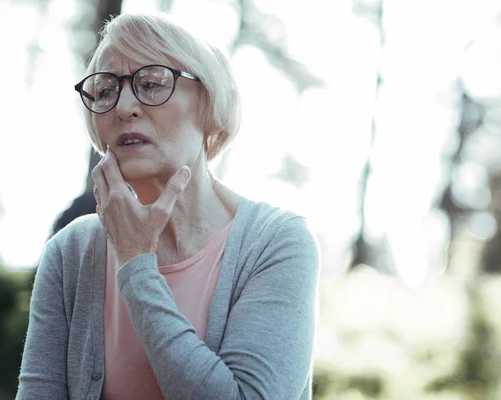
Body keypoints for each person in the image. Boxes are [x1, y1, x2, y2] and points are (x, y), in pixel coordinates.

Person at [16, 12, 320, 400]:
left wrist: (136, 264)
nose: (123, 106)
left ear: (209, 103)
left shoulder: (279, 244)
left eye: (152, 82)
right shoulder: (71, 251)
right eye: (106, 90)